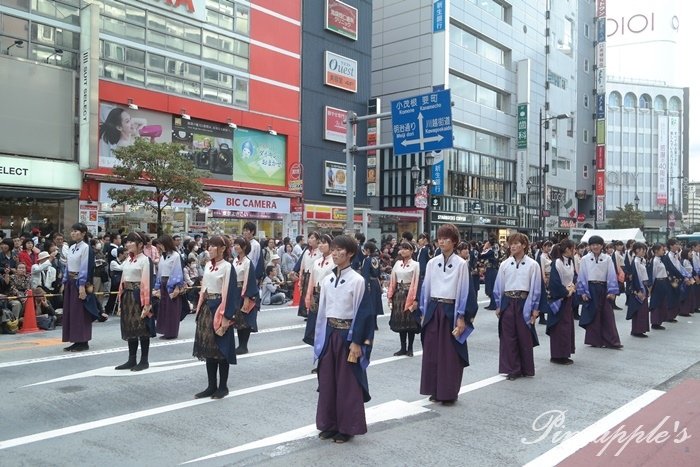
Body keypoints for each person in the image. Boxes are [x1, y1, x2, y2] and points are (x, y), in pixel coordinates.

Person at [314, 235, 375, 444]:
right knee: (328, 382)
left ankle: (347, 427)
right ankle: (329, 424)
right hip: (330, 334)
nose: (335, 253)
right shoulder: (327, 279)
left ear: (350, 253)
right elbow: (321, 313)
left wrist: (357, 342)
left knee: (347, 384)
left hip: (348, 336)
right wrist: (319, 340)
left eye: (340, 250)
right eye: (334, 249)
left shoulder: (357, 280)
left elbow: (364, 314)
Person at [420, 224, 477, 403]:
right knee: (432, 352)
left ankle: (448, 393)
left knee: (450, 354)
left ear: (454, 241)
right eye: (439, 238)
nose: (442, 241)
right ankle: (434, 389)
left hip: (451, 310)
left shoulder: (461, 264)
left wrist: (462, 316)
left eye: (446, 238)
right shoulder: (432, 263)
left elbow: (467, 291)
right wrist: (424, 311)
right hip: (434, 308)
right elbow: (426, 289)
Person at [192, 235, 241, 399]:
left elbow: (232, 294)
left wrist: (227, 318)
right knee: (209, 350)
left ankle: (223, 386)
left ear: (222, 249)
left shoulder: (227, 267)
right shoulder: (207, 265)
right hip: (207, 308)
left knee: (221, 350)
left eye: (213, 246)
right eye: (208, 246)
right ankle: (211, 385)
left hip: (220, 309)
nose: (210, 249)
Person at [493, 233, 543, 379]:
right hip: (508, 301)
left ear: (524, 245)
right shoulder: (505, 264)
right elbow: (499, 286)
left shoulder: (533, 265)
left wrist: (535, 308)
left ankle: (526, 368)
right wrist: (498, 305)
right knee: (508, 337)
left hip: (524, 302)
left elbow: (536, 288)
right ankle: (512, 369)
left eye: (516, 243)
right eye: (511, 243)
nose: (513, 246)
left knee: (524, 336)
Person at [115, 232, 154, 371]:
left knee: (142, 328)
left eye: (131, 242)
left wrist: (147, 304)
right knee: (130, 327)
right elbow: (122, 281)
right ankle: (131, 359)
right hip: (127, 296)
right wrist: (120, 300)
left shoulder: (145, 260)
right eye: (127, 242)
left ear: (140, 244)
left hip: (139, 296)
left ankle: (144, 360)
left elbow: (147, 283)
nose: (128, 244)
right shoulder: (128, 260)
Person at [576, 235, 622, 349]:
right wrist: (583, 292)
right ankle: (595, 340)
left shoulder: (607, 258)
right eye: (592, 245)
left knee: (607, 314)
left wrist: (612, 291)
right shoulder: (585, 259)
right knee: (593, 314)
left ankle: (612, 341)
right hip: (590, 288)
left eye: (597, 244)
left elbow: (611, 274)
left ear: (602, 246)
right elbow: (581, 276)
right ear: (589, 246)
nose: (595, 247)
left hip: (603, 287)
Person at [62, 223, 95, 352]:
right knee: (71, 312)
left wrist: (82, 285)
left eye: (76, 231)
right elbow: (67, 265)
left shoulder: (86, 248)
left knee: (81, 312)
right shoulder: (71, 247)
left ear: (83, 233)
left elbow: (85, 267)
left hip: (79, 282)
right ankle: (75, 339)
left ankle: (83, 340)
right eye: (72, 231)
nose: (73, 233)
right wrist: (64, 281)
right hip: (70, 282)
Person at [546, 240, 576, 365]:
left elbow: (573, 277)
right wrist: (566, 292)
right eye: (573, 248)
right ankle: (557, 355)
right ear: (568, 249)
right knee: (559, 328)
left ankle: (565, 353)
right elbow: (554, 282)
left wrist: (573, 287)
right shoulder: (557, 262)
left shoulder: (570, 261)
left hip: (568, 297)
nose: (574, 251)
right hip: (560, 299)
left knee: (567, 327)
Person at [387, 242, 420, 356]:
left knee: (409, 323)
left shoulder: (415, 265)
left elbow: (416, 282)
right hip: (398, 295)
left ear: (412, 251)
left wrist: (416, 299)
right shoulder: (397, 264)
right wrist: (390, 296)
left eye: (407, 249)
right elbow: (392, 280)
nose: (404, 251)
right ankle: (402, 347)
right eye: (403, 249)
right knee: (400, 322)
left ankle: (410, 348)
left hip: (409, 294)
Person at [304, 234, 335, 348]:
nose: (321, 245)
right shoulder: (317, 261)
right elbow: (312, 281)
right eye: (320, 243)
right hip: (316, 295)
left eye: (324, 242)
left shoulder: (334, 261)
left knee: (326, 328)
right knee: (315, 329)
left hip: (328, 297)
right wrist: (309, 297)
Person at [231, 236, 260, 355]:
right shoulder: (235, 260)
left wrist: (247, 298)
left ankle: (244, 345)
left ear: (244, 247)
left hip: (245, 292)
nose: (236, 246)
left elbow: (250, 280)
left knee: (246, 319)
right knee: (238, 319)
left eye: (238, 244)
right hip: (235, 291)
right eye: (235, 244)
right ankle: (240, 344)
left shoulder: (248, 262)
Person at [154, 235, 185, 340]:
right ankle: (164, 330)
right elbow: (159, 272)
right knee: (164, 308)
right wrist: (157, 286)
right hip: (163, 283)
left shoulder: (175, 255)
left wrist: (176, 287)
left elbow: (178, 271)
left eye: (161, 244)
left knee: (172, 309)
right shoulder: (163, 256)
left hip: (171, 283)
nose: (160, 246)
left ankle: (171, 332)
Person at [627, 242, 651, 338]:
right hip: (639, 287)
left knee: (643, 310)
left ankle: (641, 329)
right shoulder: (636, 261)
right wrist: (638, 290)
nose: (644, 252)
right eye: (642, 250)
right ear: (637, 250)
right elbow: (635, 277)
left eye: (645, 250)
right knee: (639, 309)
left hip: (644, 285)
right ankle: (637, 330)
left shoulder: (642, 261)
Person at [360, 241, 383, 329]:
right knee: (375, 302)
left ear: (368, 250)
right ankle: (375, 323)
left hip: (369, 282)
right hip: (376, 282)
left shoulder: (366, 260)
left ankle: (370, 324)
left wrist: (365, 285)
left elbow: (365, 273)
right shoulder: (376, 259)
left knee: (369, 303)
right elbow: (379, 272)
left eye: (365, 249)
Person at [296, 232, 320, 318]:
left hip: (315, 276)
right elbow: (302, 264)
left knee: (313, 295)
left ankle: (312, 312)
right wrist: (300, 276)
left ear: (317, 240)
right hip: (306, 276)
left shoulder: (320, 252)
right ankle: (306, 312)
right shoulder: (306, 251)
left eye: (312, 238)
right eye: (309, 237)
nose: (310, 240)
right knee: (305, 294)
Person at [481, 239, 499, 310]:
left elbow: (481, 256)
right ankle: (492, 303)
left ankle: (493, 304)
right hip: (494, 269)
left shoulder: (490, 251)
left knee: (491, 287)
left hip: (491, 269)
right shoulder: (496, 250)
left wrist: (484, 248)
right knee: (492, 287)